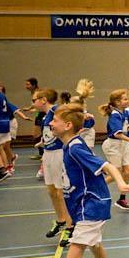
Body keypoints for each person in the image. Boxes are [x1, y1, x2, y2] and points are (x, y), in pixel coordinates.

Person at [50, 103, 129, 258]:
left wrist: (121, 184)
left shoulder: (75, 148)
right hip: (87, 205)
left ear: (68, 125)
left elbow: (108, 166)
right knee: (95, 243)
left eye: (55, 120)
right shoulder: (69, 144)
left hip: (91, 207)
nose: (51, 123)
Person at [34, 89, 74, 244]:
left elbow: (72, 113)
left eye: (34, 100)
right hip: (48, 153)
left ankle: (71, 226)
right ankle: (61, 220)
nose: (33, 103)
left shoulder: (56, 110)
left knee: (61, 191)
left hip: (58, 153)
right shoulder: (46, 116)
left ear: (43, 99)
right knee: (51, 190)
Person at [99, 89, 129, 210]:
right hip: (113, 145)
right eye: (125, 99)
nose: (127, 101)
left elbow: (124, 128)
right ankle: (94, 189)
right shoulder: (114, 115)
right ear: (117, 102)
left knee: (128, 172)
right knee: (117, 173)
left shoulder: (123, 112)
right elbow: (117, 134)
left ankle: (122, 199)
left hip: (123, 144)